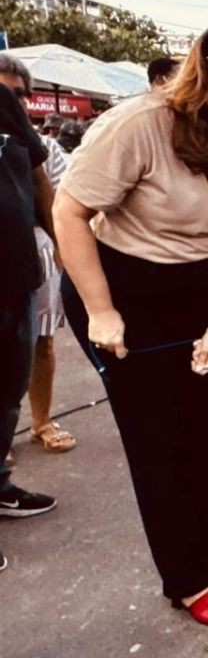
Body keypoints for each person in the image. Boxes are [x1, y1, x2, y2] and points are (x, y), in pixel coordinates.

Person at [53, 18, 208, 625]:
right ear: (200, 68)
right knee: (155, 441)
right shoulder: (141, 123)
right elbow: (69, 211)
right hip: (118, 289)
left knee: (198, 428)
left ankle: (206, 548)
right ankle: (183, 579)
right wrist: (102, 312)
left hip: (199, 291)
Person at [0, 55, 76, 454]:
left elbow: (57, 201)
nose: (11, 102)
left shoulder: (41, 146)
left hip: (35, 253)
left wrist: (63, 250)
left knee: (39, 342)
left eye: (18, 95)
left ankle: (41, 421)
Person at [0, 83, 59, 573]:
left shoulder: (3, 103)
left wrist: (65, 244)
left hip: (15, 279)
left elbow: (39, 178)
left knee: (7, 392)